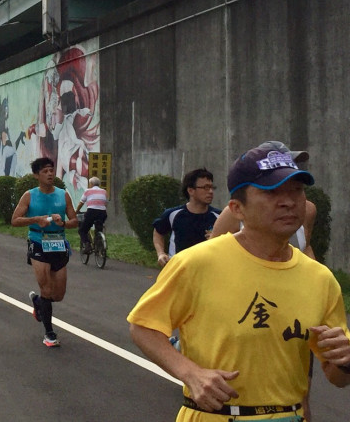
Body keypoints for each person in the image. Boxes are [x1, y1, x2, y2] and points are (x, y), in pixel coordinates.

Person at [128, 142, 350, 421]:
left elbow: (337, 376)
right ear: (237, 208)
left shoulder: (320, 278)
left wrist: (346, 361)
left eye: (297, 191)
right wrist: (190, 373)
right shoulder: (196, 263)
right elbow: (142, 327)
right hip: (216, 415)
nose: (289, 201)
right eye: (272, 192)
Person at [209, 141, 318, 419]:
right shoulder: (235, 212)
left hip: (294, 300)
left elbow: (304, 246)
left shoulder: (307, 209)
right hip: (251, 303)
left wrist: (313, 275)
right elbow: (214, 252)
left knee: (299, 376)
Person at [11, 157, 77, 347]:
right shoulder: (29, 195)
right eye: (45, 171)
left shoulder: (63, 195)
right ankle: (49, 333)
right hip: (38, 242)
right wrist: (36, 219)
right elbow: (15, 220)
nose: (49, 174)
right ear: (36, 175)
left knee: (58, 295)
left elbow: (74, 221)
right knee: (46, 288)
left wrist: (63, 223)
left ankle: (38, 301)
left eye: (51, 170)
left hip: (58, 243)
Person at [153, 168, 221, 268]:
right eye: (206, 187)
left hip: (207, 273)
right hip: (178, 271)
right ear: (190, 190)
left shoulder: (219, 217)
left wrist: (217, 238)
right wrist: (161, 253)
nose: (210, 191)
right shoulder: (173, 214)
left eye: (212, 187)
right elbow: (158, 232)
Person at [75, 176, 108, 254]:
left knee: (82, 230)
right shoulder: (104, 191)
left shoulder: (88, 191)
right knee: (98, 228)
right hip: (102, 213)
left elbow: (81, 203)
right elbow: (105, 203)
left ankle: (87, 245)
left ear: (91, 184)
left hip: (91, 212)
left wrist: (76, 211)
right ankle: (99, 245)